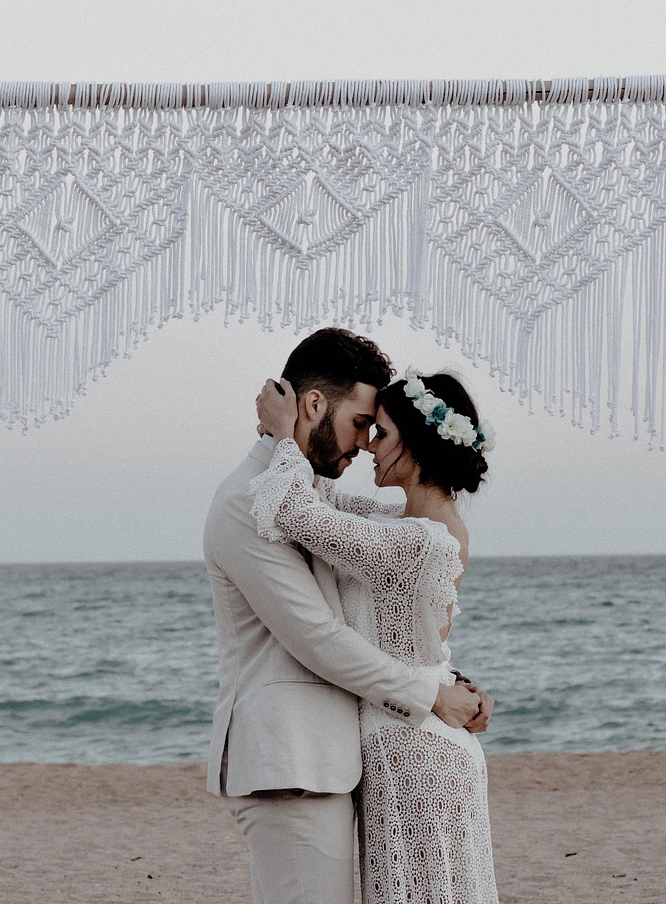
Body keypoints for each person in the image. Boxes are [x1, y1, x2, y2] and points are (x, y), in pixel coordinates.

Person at [203, 328, 491, 904]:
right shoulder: (250, 501)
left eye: (377, 431)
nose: (365, 444)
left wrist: (440, 681)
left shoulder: (307, 497)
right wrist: (431, 691)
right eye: (363, 424)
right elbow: (319, 636)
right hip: (293, 763)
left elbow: (384, 612)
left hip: (340, 764)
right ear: (313, 405)